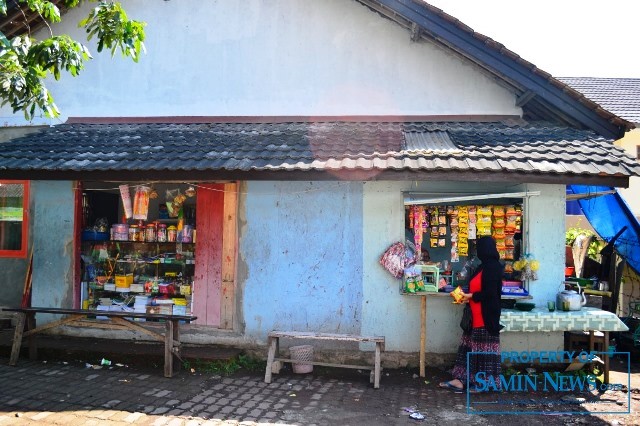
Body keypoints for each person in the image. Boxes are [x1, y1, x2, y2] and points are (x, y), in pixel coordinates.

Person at [439, 236, 504, 393]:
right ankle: (460, 381)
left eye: (480, 248)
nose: (477, 251)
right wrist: (465, 297)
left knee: (483, 351)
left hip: (486, 316)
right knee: (468, 349)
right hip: (474, 316)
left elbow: (490, 293)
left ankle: (484, 384)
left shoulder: (494, 267)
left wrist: (470, 297)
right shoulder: (482, 267)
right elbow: (477, 289)